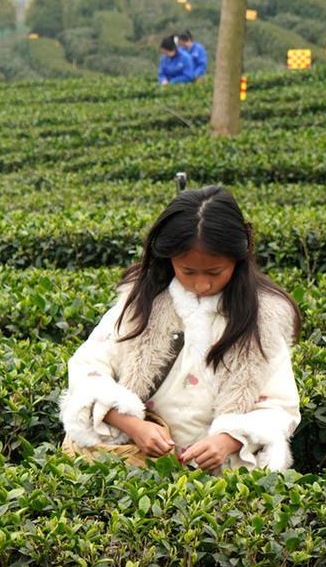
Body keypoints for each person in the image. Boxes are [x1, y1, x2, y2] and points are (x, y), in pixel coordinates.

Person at [59, 185, 302, 472]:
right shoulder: (141, 303)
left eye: (215, 272)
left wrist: (229, 440)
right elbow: (87, 368)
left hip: (223, 482)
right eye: (187, 271)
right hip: (138, 469)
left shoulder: (262, 319)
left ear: (239, 259)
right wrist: (132, 425)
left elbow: (281, 405)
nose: (202, 285)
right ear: (167, 258)